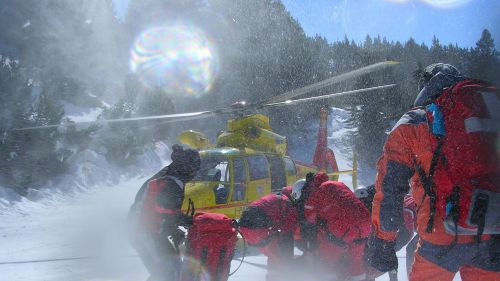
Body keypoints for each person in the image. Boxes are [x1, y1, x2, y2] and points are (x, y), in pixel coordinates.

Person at [367, 63, 500, 281]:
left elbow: (391, 188)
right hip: (493, 232)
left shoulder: (416, 121)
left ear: (425, 86)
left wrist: (383, 240)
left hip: (443, 235)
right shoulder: (487, 113)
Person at [128, 144, 201, 281]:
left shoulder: (170, 175)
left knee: (173, 270)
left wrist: (173, 230)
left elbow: (161, 213)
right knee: (165, 274)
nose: (195, 174)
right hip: (143, 231)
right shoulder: (170, 181)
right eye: (195, 169)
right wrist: (188, 221)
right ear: (188, 168)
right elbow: (165, 209)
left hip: (152, 230)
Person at [296, 172, 372, 281]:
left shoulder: (314, 192)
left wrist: (310, 247)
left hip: (344, 226)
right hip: (365, 224)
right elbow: (350, 202)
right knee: (357, 262)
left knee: (328, 261)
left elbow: (309, 221)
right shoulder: (340, 184)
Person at [355, 185, 418, 278]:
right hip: (424, 221)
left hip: (432, 223)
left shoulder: (402, 209)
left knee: (410, 249)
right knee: (385, 248)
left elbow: (407, 234)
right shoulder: (380, 204)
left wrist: (388, 249)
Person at [238, 189, 298, 281]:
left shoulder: (275, 198)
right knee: (282, 258)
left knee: (274, 255)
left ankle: (273, 277)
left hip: (245, 229)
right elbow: (288, 233)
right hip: (258, 230)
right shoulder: (288, 204)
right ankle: (288, 276)